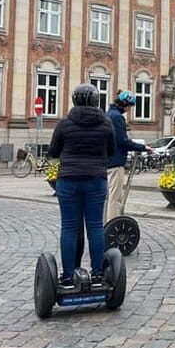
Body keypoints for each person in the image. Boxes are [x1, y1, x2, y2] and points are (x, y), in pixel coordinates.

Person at [48, 84, 115, 286]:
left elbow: (53, 151)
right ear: (96, 100)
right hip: (96, 179)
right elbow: (111, 151)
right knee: (95, 226)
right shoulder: (106, 124)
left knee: (69, 227)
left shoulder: (64, 124)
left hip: (68, 179)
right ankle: (96, 273)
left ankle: (68, 275)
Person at [105, 89, 148, 223]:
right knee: (115, 197)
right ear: (126, 104)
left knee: (109, 195)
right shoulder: (117, 117)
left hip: (107, 160)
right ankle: (112, 224)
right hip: (115, 161)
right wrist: (143, 147)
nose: (129, 110)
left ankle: (106, 223)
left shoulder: (108, 114)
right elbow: (122, 141)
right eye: (130, 107)